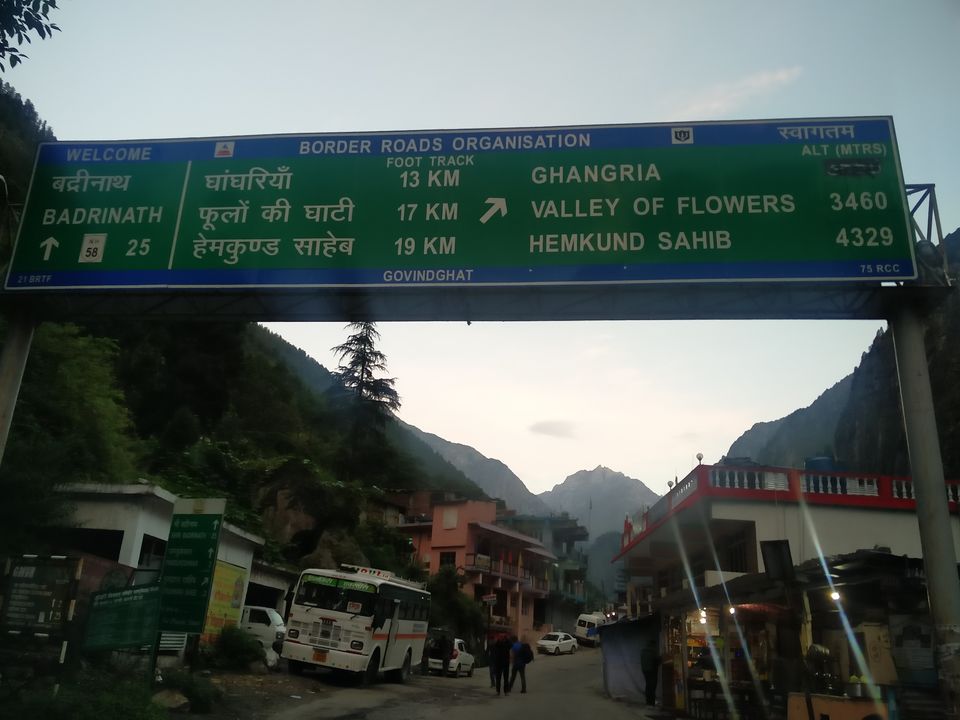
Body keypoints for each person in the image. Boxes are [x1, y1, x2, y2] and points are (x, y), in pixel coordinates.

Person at [641, 637, 662, 705]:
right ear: (653, 644)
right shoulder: (653, 651)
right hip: (652, 671)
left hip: (645, 670)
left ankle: (648, 702)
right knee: (652, 687)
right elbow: (656, 661)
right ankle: (652, 703)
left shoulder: (643, 650)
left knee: (648, 686)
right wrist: (661, 659)